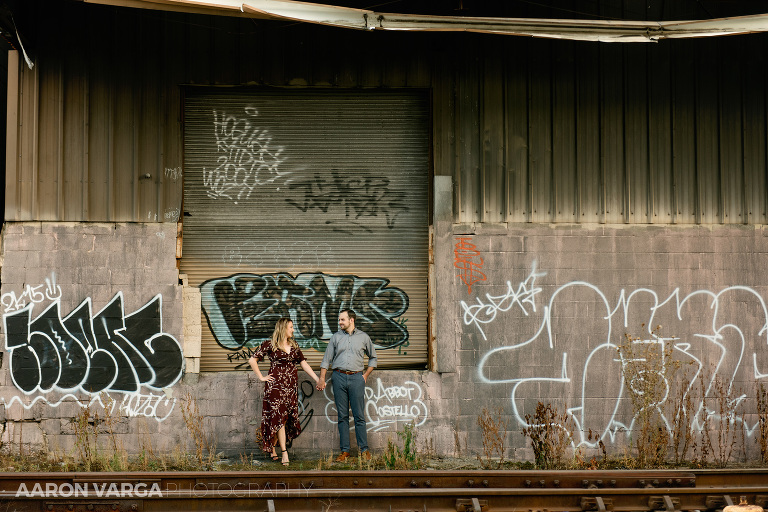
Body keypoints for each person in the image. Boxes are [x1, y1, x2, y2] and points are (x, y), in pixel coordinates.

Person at [249, 317, 319, 466]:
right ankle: (284, 452)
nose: (293, 330)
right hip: (275, 389)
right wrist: (261, 377)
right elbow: (252, 360)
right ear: (283, 329)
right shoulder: (270, 345)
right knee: (279, 419)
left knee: (285, 418)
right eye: (291, 327)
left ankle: (273, 447)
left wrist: (317, 378)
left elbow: (303, 364)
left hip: (290, 388)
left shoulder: (294, 345)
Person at [317, 309, 377, 462]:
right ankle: (345, 451)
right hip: (338, 377)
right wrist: (322, 378)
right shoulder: (335, 337)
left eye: (342, 319)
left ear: (351, 320)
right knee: (342, 416)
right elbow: (326, 360)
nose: (339, 322)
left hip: (357, 378)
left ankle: (364, 450)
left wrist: (365, 375)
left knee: (359, 416)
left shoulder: (364, 337)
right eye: (339, 319)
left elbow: (373, 358)